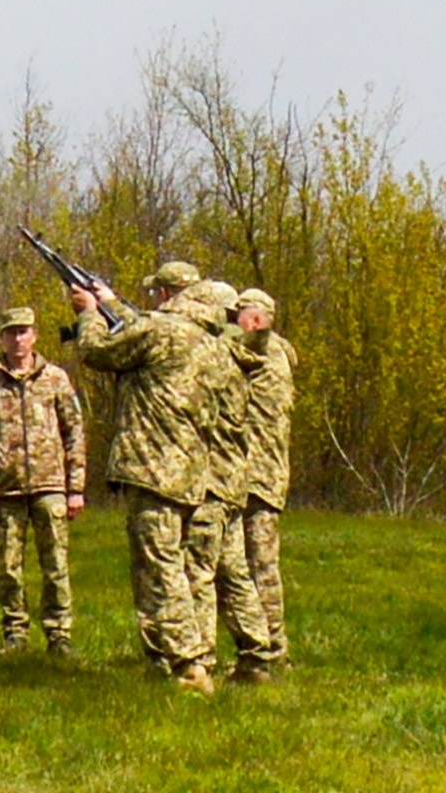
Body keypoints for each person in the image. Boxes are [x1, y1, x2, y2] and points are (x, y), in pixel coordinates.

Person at [69, 261, 219, 695]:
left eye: (157, 293)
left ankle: (189, 668)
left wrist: (87, 312)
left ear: (169, 294)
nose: (151, 299)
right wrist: (111, 302)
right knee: (180, 566)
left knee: (161, 567)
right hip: (189, 470)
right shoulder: (203, 339)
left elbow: (99, 351)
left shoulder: (162, 329)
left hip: (153, 467)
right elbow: (146, 334)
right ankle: (182, 655)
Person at [0, 306, 87, 657]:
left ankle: (59, 635)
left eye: (24, 331)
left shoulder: (56, 379)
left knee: (56, 564)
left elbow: (74, 432)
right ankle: (15, 633)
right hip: (6, 490)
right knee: (9, 568)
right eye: (11, 332)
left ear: (34, 335)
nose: (17, 339)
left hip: (51, 487)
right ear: (2, 337)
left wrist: (75, 487)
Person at [180, 280, 273, 684]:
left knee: (199, 571)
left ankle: (202, 660)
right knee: (234, 572)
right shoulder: (240, 354)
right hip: (234, 481)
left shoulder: (215, 356)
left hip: (212, 482)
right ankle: (257, 655)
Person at [235, 288, 298, 667]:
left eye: (238, 316)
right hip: (261, 474)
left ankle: (272, 651)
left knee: (260, 567)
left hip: (256, 476)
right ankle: (264, 649)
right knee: (257, 566)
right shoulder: (275, 351)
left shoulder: (263, 355)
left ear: (256, 321)